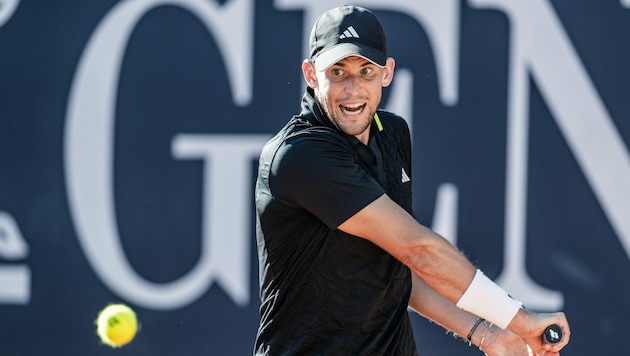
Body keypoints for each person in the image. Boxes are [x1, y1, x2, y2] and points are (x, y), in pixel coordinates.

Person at [254, 5, 570, 355]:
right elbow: (416, 249)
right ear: (311, 75)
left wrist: (488, 334)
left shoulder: (391, 133)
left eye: (366, 71)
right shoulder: (300, 154)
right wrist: (521, 321)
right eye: (338, 72)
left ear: (387, 74)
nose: (352, 89)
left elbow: (400, 265)